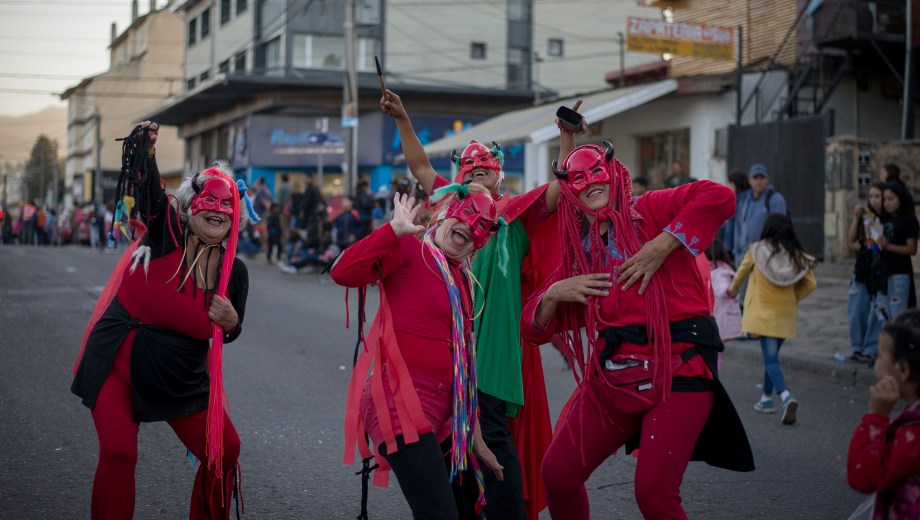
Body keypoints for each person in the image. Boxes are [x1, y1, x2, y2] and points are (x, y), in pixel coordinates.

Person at [522, 142, 753, 519]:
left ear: (613, 172)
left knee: (654, 494)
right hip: (616, 377)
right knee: (558, 474)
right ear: (569, 190)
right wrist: (553, 294)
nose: (590, 183)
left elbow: (720, 197)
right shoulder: (583, 252)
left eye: (597, 172)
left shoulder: (649, 209)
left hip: (679, 369)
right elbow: (532, 329)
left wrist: (663, 244)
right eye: (578, 179)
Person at [381, 88, 576, 519]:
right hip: (446, 351)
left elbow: (559, 192)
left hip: (489, 352)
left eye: (485, 167)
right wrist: (402, 117)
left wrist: (567, 137)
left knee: (493, 439)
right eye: (469, 167)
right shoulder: (448, 208)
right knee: (453, 444)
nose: (476, 171)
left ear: (499, 175)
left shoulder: (513, 212)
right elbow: (419, 166)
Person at [71, 122, 257, 519]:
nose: (217, 210)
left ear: (235, 216)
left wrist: (232, 323)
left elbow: (230, 333)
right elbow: (151, 197)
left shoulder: (234, 272)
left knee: (224, 450)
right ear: (191, 207)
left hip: (178, 377)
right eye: (209, 201)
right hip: (117, 365)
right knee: (119, 452)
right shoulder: (166, 234)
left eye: (226, 205)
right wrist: (148, 151)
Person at [331, 186, 504, 520]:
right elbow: (342, 272)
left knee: (470, 511)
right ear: (446, 214)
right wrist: (391, 232)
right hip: (400, 403)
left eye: (481, 227)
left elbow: (464, 363)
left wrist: (473, 434)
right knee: (439, 514)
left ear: (481, 241)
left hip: (446, 417)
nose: (470, 228)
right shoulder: (410, 248)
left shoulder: (462, 280)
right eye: (467, 215)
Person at [729, 212, 816, 425]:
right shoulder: (796, 255)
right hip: (785, 314)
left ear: (766, 228)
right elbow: (811, 284)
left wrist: (732, 291)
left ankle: (785, 396)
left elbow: (740, 274)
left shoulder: (756, 250)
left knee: (770, 360)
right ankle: (765, 400)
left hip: (762, 314)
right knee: (772, 358)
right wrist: (794, 298)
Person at [847, 308, 920, 519]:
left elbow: (863, 477)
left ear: (903, 369)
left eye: (879, 356)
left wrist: (875, 418)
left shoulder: (914, 432)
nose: (875, 362)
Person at [848, 182, 886, 363]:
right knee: (857, 308)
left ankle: (870, 348)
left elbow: (881, 242)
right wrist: (856, 219)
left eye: (877, 196)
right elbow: (851, 239)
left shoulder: (887, 218)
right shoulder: (866, 215)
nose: (874, 200)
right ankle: (857, 347)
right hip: (863, 266)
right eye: (871, 196)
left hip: (880, 266)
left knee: (878, 311)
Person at [729, 164, 787, 265]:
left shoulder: (775, 199)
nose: (759, 182)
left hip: (765, 259)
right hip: (742, 258)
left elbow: (780, 229)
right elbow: (738, 227)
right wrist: (736, 252)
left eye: (762, 178)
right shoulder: (744, 200)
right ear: (749, 180)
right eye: (755, 178)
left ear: (767, 180)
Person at [706, 238, 742, 344]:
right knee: (717, 347)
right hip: (721, 316)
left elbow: (720, 286)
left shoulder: (711, 270)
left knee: (715, 346)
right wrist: (730, 291)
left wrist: (728, 291)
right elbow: (721, 287)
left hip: (715, 316)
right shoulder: (723, 270)